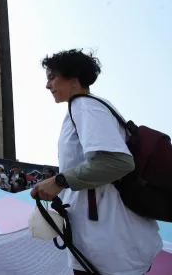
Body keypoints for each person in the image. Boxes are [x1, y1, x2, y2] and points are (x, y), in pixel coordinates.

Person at [31, 49, 162, 275]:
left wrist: (59, 181)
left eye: (52, 77)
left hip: (108, 244)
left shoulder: (85, 106)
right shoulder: (82, 108)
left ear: (73, 78)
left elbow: (117, 162)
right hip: (102, 244)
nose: (47, 85)